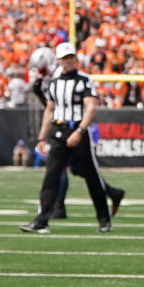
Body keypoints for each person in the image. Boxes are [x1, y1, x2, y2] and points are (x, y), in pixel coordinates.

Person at [20, 42, 114, 234]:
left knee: (91, 177)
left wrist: (80, 131)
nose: (68, 61)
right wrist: (41, 138)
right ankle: (42, 221)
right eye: (65, 58)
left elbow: (90, 107)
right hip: (58, 132)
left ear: (75, 59)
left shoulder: (83, 80)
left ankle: (104, 219)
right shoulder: (55, 82)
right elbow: (50, 109)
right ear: (58, 60)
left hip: (77, 131)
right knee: (51, 177)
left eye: (71, 57)